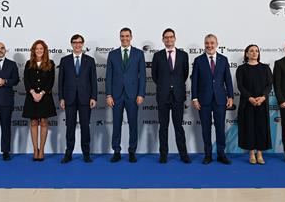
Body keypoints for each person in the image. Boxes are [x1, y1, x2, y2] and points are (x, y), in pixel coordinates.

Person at [191, 34, 234, 165]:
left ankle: (221, 154)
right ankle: (208, 155)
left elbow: (228, 80)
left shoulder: (223, 59)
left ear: (217, 44)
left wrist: (231, 96)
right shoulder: (198, 60)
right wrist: (194, 98)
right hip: (203, 100)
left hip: (220, 99)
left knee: (220, 127)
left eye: (212, 43)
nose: (209, 45)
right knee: (205, 128)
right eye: (207, 43)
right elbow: (194, 82)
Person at [106, 27, 146, 163]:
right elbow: (108, 76)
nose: (125, 38)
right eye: (122, 36)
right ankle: (116, 151)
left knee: (133, 124)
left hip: (133, 95)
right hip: (116, 95)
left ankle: (132, 151)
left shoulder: (139, 54)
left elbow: (143, 76)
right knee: (116, 124)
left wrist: (141, 94)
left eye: (127, 36)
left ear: (131, 37)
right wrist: (108, 95)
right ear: (119, 37)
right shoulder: (112, 54)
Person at [151, 28, 191, 164]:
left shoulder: (183, 55)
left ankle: (183, 154)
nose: (169, 40)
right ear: (162, 40)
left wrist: (175, 85)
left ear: (175, 38)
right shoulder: (157, 56)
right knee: (163, 127)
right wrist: (165, 86)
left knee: (178, 126)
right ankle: (163, 155)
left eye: (171, 37)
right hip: (163, 96)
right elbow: (154, 76)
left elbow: (184, 74)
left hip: (178, 96)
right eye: (166, 37)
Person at [58, 34, 97, 163]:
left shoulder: (90, 60)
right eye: (75, 42)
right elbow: (60, 81)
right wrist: (61, 98)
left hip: (85, 99)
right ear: (71, 44)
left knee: (85, 127)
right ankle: (68, 153)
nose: (77, 44)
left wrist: (94, 97)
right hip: (69, 99)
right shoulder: (64, 60)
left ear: (83, 43)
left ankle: (86, 154)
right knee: (70, 127)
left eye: (80, 42)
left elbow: (93, 81)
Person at [236, 44, 273, 164]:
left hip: (262, 102)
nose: (254, 53)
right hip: (247, 103)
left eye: (256, 51)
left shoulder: (265, 68)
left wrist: (263, 97)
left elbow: (269, 85)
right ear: (246, 54)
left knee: (261, 128)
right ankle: (251, 153)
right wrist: (250, 98)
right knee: (249, 127)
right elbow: (240, 86)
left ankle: (260, 153)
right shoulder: (241, 69)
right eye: (251, 51)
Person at [22, 40, 57, 161]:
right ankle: (34, 149)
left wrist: (41, 93)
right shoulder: (28, 63)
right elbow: (26, 80)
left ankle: (41, 149)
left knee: (43, 122)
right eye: (36, 49)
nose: (39, 50)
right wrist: (32, 92)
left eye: (41, 48)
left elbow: (51, 81)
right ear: (33, 50)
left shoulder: (50, 63)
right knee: (33, 123)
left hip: (45, 97)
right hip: (31, 97)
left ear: (45, 50)